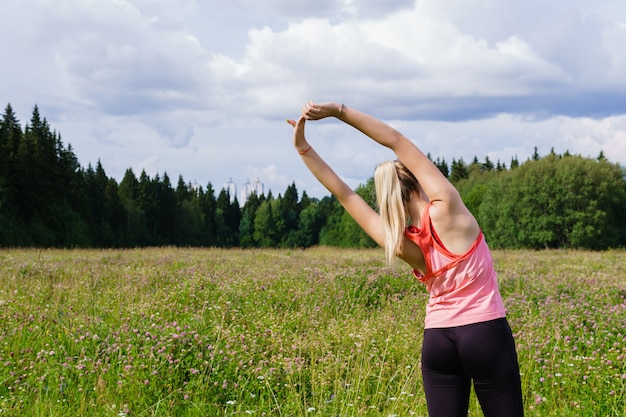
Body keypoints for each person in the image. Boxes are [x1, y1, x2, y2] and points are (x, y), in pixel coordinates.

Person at [287, 101, 524, 417]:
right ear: (417, 180)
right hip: (483, 332)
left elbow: (345, 194)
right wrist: (338, 111)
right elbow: (395, 140)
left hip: (438, 341)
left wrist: (303, 148)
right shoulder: (448, 208)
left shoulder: (397, 241)